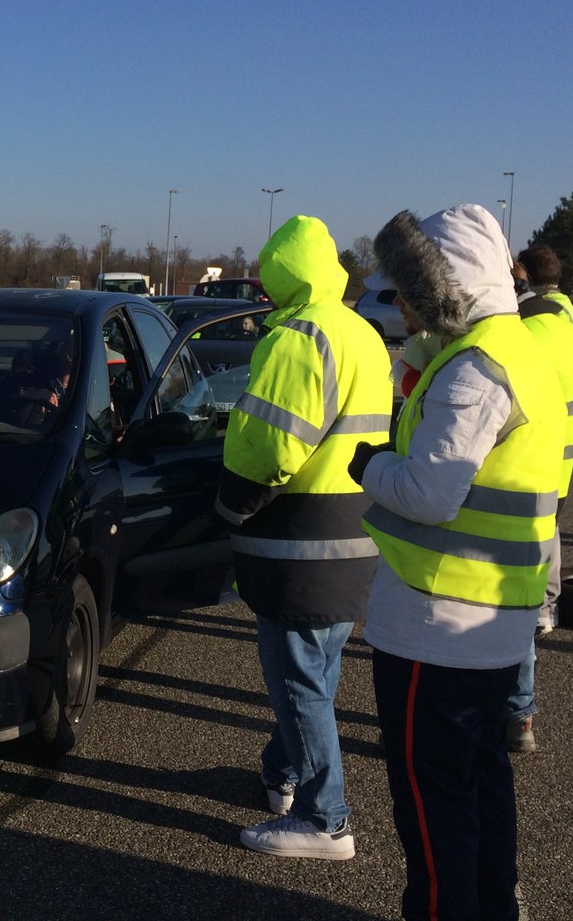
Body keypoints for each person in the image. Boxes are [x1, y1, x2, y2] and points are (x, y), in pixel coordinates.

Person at [351, 204, 564, 921]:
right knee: (482, 783)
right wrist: (423, 345)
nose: (403, 308)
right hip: (492, 617)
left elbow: (428, 491)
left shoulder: (474, 372)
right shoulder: (514, 348)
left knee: (432, 800)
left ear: (446, 289)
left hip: (435, 623)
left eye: (412, 292)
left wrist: (368, 465)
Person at [213, 215, 393, 861]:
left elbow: (269, 445)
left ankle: (326, 819)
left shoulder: (298, 336)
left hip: (299, 540)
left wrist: (230, 506)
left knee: (298, 679)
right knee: (316, 669)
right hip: (354, 532)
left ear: (282, 275)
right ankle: (282, 773)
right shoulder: (360, 332)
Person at [504, 244, 573, 754]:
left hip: (522, 473)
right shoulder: (565, 316)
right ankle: (518, 714)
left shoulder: (534, 326)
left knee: (510, 597)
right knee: (522, 589)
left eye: (514, 275)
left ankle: (516, 711)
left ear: (528, 276)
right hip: (552, 469)